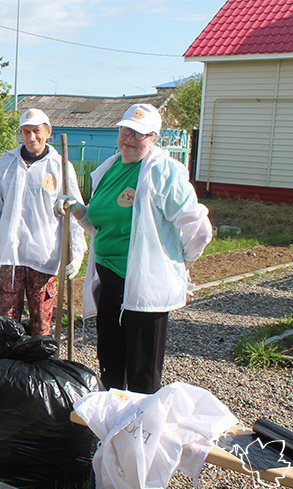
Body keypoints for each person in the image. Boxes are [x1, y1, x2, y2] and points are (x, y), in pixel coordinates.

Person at [54, 104, 212, 394]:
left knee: (141, 368)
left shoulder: (163, 172)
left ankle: (143, 430)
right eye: (125, 130)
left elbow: (199, 228)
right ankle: (113, 425)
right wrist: (79, 210)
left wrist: (177, 263)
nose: (129, 137)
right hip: (109, 277)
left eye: (139, 134)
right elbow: (101, 224)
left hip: (143, 282)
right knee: (110, 357)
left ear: (154, 137)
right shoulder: (111, 168)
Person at [0, 108, 87, 336]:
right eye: (26, 132)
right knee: (5, 323)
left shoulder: (60, 166)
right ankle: (5, 368)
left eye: (37, 131)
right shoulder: (7, 163)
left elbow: (73, 211)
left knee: (41, 323)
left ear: (49, 131)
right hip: (9, 257)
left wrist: (77, 252)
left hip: (43, 256)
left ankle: (39, 368)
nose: (31, 137)